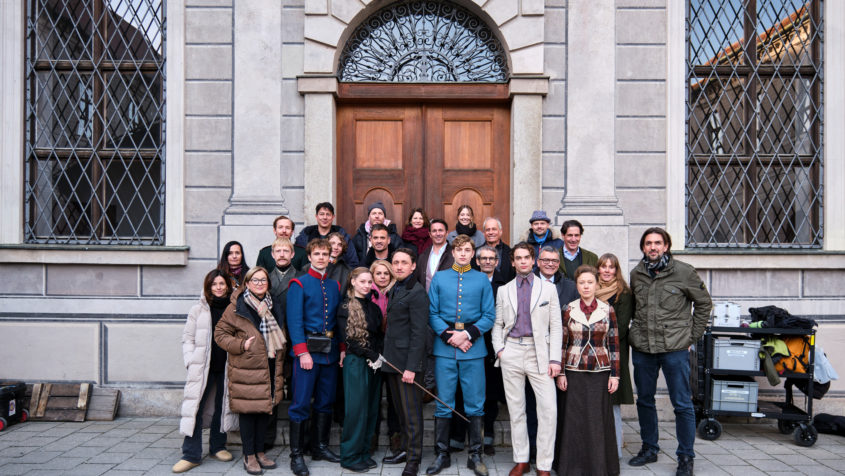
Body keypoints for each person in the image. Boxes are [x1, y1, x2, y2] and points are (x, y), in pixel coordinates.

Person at [628, 228, 712, 476]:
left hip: (674, 349)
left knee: (682, 404)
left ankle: (686, 456)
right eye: (648, 243)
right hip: (644, 348)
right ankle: (649, 448)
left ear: (666, 246)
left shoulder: (684, 272)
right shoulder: (636, 274)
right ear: (643, 247)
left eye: (657, 243)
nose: (652, 247)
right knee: (644, 400)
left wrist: (692, 336)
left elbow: (704, 304)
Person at [427, 234, 496, 476]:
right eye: (459, 250)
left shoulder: (481, 280)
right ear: (453, 252)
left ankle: (475, 455)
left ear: (472, 252)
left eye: (468, 249)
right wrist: (450, 336)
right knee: (444, 402)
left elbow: (489, 315)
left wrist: (466, 335)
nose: (464, 254)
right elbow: (432, 312)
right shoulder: (440, 278)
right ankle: (441, 454)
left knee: (475, 403)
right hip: (445, 348)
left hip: (473, 348)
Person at [492, 243, 562, 476]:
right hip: (511, 351)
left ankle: (544, 464)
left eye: (527, 257)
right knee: (516, 409)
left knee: (548, 410)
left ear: (534, 261)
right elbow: (498, 324)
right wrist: (500, 350)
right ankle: (521, 460)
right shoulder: (504, 290)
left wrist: (555, 360)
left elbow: (556, 326)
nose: (523, 261)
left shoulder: (548, 289)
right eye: (518, 258)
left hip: (539, 353)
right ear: (512, 262)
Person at [214, 267, 286, 475]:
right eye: (255, 280)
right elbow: (220, 334)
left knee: (265, 409)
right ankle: (249, 455)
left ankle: (260, 451)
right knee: (248, 411)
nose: (260, 284)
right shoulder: (237, 306)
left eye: (263, 280)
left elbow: (281, 332)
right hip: (247, 367)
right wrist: (242, 345)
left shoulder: (274, 305)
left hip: (270, 364)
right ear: (247, 283)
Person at [286, 239, 343, 476]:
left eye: (325, 254)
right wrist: (302, 352)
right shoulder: (299, 283)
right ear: (309, 257)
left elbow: (338, 321)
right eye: (317, 253)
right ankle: (296, 455)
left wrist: (341, 348)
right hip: (307, 353)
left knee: (325, 401)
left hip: (329, 353)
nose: (321, 257)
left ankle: (320, 447)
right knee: (300, 404)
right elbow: (294, 321)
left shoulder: (334, 285)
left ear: (331, 257)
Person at [555, 265, 620, 476]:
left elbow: (614, 344)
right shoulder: (568, 308)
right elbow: (563, 343)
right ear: (577, 285)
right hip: (573, 370)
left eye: (590, 282)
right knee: (574, 419)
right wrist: (562, 373)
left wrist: (615, 375)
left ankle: (598, 467)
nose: (586, 286)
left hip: (600, 371)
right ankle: (571, 466)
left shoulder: (607, 309)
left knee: (597, 419)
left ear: (596, 284)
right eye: (582, 282)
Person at [173, 269, 235, 473]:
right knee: (196, 408)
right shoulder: (198, 310)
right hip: (202, 367)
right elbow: (187, 338)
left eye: (221, 284)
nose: (218, 287)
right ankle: (191, 454)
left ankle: (218, 446)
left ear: (227, 285)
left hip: (225, 366)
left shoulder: (234, 308)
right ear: (208, 287)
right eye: (214, 284)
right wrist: (190, 360)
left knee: (222, 406)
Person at [382, 248, 430, 476]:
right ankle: (404, 449)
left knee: (411, 413)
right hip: (392, 360)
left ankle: (414, 458)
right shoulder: (396, 287)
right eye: (395, 262)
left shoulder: (417, 292)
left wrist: (411, 367)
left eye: (404, 262)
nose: (399, 266)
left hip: (408, 364)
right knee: (400, 411)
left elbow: (419, 333)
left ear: (413, 266)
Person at [337, 268, 385, 472]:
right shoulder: (345, 306)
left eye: (369, 282)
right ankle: (349, 456)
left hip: (374, 364)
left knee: (371, 409)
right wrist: (370, 355)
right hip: (356, 362)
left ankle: (364, 452)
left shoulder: (374, 308)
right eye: (363, 281)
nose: (367, 285)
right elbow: (348, 339)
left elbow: (378, 335)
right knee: (356, 410)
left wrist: (377, 356)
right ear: (353, 282)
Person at [596, 253, 635, 459]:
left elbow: (620, 324)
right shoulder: (592, 289)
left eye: (611, 267)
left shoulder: (623, 293)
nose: (607, 271)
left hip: (614, 351)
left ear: (616, 270)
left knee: (613, 401)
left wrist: (597, 336)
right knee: (595, 399)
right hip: (592, 352)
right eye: (603, 267)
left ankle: (616, 451)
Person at [265, 237, 297, 450]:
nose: (283, 254)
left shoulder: (300, 277)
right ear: (273, 254)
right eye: (279, 250)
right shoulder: (264, 278)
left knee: (295, 386)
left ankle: (297, 439)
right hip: (272, 338)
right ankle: (267, 437)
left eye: (286, 250)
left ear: (292, 254)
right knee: (272, 385)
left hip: (295, 337)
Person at [295, 202, 359, 268]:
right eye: (321, 214)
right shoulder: (306, 234)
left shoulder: (342, 235)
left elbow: (352, 262)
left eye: (328, 214)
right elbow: (298, 259)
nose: (325, 217)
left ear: (333, 217)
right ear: (316, 216)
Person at [415, 219, 453, 291]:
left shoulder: (454, 254)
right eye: (434, 231)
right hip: (426, 300)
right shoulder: (422, 256)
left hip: (447, 300)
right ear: (430, 234)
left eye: (440, 230)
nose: (438, 234)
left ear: (447, 233)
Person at [481, 217, 514, 281]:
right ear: (484, 233)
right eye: (488, 230)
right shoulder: (477, 252)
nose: (491, 232)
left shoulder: (510, 252)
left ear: (500, 232)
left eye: (494, 229)